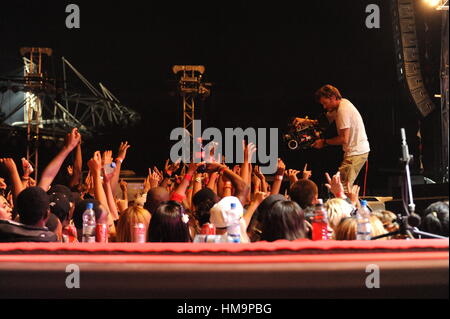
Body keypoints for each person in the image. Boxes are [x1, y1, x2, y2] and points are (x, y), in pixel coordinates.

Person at [296, 85, 370, 192]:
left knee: (341, 189)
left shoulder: (343, 111)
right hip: (355, 152)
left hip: (356, 153)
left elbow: (344, 139)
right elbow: (323, 122)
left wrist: (324, 142)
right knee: (343, 187)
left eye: (325, 103)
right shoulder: (341, 104)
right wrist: (305, 121)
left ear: (332, 97)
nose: (324, 107)